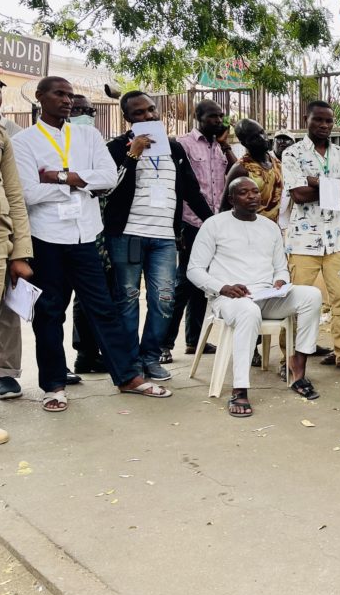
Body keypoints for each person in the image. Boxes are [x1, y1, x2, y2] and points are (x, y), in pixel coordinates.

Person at [12, 76, 172, 411]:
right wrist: (79, 181)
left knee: (104, 308)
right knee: (49, 313)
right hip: (47, 238)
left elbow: (107, 178)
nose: (67, 100)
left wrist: (59, 176)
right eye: (60, 94)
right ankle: (54, 385)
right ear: (41, 97)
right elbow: (28, 193)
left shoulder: (88, 134)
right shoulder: (25, 141)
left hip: (85, 236)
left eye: (70, 95)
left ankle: (128, 377)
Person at [188, 177, 324, 413]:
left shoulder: (269, 227)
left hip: (267, 296)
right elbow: (194, 270)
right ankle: (239, 389)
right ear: (231, 199)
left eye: (255, 192)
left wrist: (280, 281)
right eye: (244, 193)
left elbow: (280, 266)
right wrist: (223, 287)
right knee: (248, 311)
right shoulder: (214, 224)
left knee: (312, 295)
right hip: (230, 299)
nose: (252, 196)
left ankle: (297, 369)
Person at [104, 91, 214, 380]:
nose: (149, 116)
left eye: (151, 110)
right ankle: (129, 362)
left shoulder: (174, 149)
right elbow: (107, 189)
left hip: (164, 237)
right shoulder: (116, 147)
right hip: (127, 234)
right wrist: (132, 155)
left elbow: (191, 190)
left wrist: (213, 223)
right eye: (139, 113)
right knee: (127, 298)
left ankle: (150, 357)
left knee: (164, 298)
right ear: (127, 118)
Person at [281, 102, 340, 373]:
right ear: (307, 119)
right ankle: (288, 358)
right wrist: (336, 188)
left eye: (329, 121)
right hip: (303, 242)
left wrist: (317, 182)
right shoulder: (292, 153)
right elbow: (298, 195)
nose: (325, 126)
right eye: (319, 120)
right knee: (295, 302)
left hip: (336, 239)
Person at [162, 100, 236, 359]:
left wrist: (226, 146)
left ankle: (195, 340)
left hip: (213, 222)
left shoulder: (219, 148)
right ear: (198, 117)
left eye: (221, 117)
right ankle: (164, 344)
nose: (219, 121)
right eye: (213, 117)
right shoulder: (182, 144)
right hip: (190, 222)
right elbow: (177, 186)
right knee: (183, 281)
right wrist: (178, 228)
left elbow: (232, 178)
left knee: (202, 283)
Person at [67, 94, 108, 374]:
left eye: (88, 109)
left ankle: (88, 355)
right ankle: (76, 358)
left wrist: (74, 179)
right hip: (55, 232)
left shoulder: (93, 141)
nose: (85, 113)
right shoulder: (46, 141)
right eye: (79, 109)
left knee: (89, 298)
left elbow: (106, 180)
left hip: (95, 232)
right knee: (55, 302)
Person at [0, 105, 33, 406]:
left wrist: (20, 252)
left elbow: (14, 195)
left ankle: (5, 371)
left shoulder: (2, 136)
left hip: (1, 240)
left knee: (5, 310)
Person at [221, 119, 284, 221]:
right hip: (248, 230)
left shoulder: (277, 164)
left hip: (275, 230)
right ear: (244, 143)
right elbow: (224, 207)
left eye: (262, 132)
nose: (263, 138)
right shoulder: (241, 169)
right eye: (255, 137)